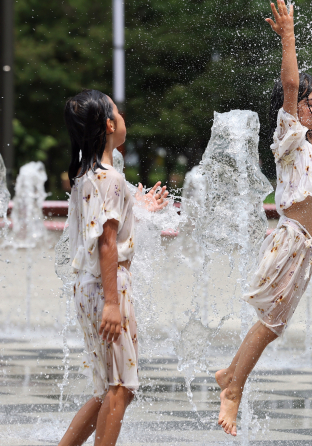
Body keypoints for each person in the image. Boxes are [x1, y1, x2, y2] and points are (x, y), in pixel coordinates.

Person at [215, 0, 312, 436]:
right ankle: (233, 388)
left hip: (308, 245)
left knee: (277, 323)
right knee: (272, 323)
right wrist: (288, 36)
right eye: (308, 104)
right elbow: (290, 83)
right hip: (291, 239)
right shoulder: (288, 139)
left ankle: (229, 372)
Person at [58, 89, 169, 446]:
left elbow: (107, 230)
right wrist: (111, 303)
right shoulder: (109, 178)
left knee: (108, 387)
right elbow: (106, 243)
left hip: (88, 286)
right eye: (117, 112)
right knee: (121, 388)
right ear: (108, 124)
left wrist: (140, 210)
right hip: (108, 287)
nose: (122, 118)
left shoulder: (89, 176)